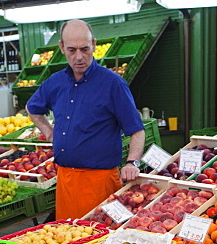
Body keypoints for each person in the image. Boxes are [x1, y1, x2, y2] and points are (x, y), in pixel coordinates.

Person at [27, 19, 145, 220]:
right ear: (62, 47)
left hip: (100, 181)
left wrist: (132, 162)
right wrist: (48, 131)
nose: (79, 57)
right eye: (72, 50)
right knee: (68, 240)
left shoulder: (113, 84)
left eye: (85, 49)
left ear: (94, 45)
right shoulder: (55, 82)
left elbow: (136, 129)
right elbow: (32, 108)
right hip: (65, 180)